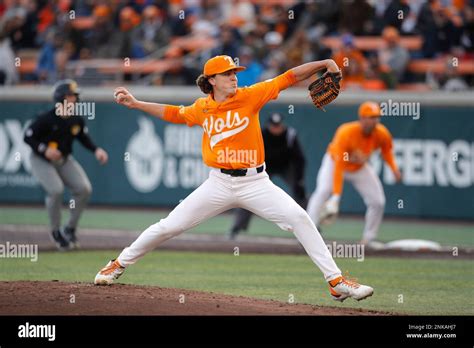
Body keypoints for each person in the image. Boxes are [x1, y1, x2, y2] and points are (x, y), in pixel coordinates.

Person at [94, 55, 374, 303]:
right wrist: (136, 103)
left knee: (300, 218)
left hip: (255, 182)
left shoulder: (251, 95)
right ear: (212, 80)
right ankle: (117, 264)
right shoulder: (202, 108)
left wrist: (324, 63)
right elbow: (172, 113)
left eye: (235, 72)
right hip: (218, 183)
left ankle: (335, 282)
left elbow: (290, 76)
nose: (234, 77)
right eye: (228, 74)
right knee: (169, 226)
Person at [24, 79, 108, 250]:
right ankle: (55, 231)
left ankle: (69, 228)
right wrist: (44, 149)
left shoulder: (76, 120)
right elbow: (28, 136)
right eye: (71, 95)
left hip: (63, 160)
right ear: (61, 98)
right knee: (56, 190)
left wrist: (96, 150)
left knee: (84, 189)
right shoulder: (46, 118)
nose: (75, 99)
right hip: (41, 160)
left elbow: (83, 137)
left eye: (75, 95)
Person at [306, 101, 402, 246]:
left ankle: (368, 238)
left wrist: (394, 168)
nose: (374, 121)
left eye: (376, 117)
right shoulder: (346, 132)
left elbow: (386, 150)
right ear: (362, 118)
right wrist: (336, 197)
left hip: (358, 167)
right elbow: (339, 165)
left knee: (378, 201)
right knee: (323, 191)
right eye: (371, 117)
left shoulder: (381, 133)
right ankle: (308, 233)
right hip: (334, 163)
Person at [228, 112, 307, 240]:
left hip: (286, 166)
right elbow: (250, 153)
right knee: (248, 193)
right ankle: (236, 227)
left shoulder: (290, 135)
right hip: (265, 167)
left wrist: (299, 179)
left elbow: (299, 159)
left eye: (278, 125)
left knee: (300, 191)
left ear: (282, 125)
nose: (276, 128)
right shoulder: (261, 134)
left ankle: (307, 227)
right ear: (269, 125)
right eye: (273, 125)